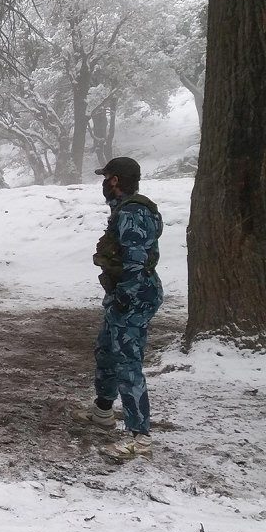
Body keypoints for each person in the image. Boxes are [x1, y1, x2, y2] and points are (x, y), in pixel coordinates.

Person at [74, 156, 164, 460]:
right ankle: (102, 411)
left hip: (135, 295)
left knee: (128, 363)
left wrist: (125, 294)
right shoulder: (125, 209)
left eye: (107, 177)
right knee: (107, 352)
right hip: (124, 294)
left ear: (115, 181)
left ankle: (140, 438)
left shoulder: (134, 212)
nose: (103, 183)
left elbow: (136, 258)